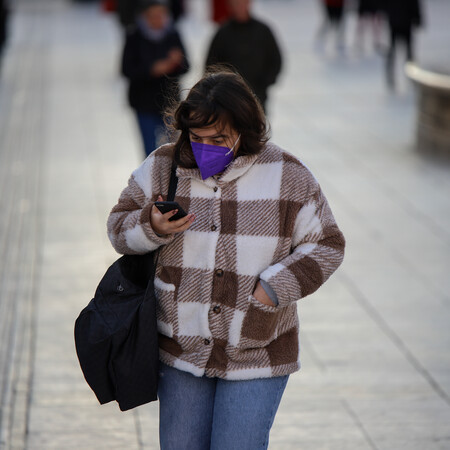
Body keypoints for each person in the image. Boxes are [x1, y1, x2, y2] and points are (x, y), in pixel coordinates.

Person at [107, 69, 345, 449]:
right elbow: (118, 228)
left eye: (219, 138)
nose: (205, 147)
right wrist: (150, 225)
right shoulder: (162, 166)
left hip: (258, 349)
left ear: (245, 129)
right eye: (197, 137)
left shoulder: (288, 174)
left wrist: (270, 290)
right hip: (181, 349)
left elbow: (327, 244)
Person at [121, 0, 189, 157]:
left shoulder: (173, 35)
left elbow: (187, 65)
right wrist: (152, 70)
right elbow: (126, 70)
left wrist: (175, 63)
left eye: (161, 15)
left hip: (170, 103)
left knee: (173, 149)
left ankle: (170, 180)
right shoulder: (134, 37)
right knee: (150, 150)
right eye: (154, 16)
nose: (158, 19)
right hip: (144, 103)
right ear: (145, 17)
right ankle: (151, 180)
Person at [205, 0, 282, 112]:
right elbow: (210, 64)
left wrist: (265, 82)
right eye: (235, 4)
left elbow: (276, 60)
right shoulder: (223, 33)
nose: (239, 7)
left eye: (242, 3)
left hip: (257, 95)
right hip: (228, 98)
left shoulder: (263, 30)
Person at [384, 0, 422, 88]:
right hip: (403, 21)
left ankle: (408, 75)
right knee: (406, 52)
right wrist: (418, 18)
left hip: (397, 21)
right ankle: (410, 76)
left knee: (399, 52)